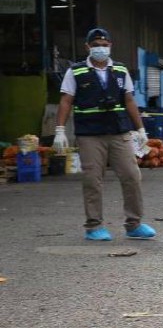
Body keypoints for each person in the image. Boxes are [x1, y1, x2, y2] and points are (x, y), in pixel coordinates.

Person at [53, 28, 156, 241]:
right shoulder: (76, 72)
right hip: (90, 134)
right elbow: (65, 100)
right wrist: (60, 130)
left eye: (105, 44)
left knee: (131, 175)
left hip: (119, 131)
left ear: (111, 46)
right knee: (93, 179)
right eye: (96, 44)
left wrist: (140, 129)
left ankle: (134, 224)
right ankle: (94, 226)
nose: (101, 48)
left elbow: (129, 100)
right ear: (88, 47)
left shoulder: (120, 70)